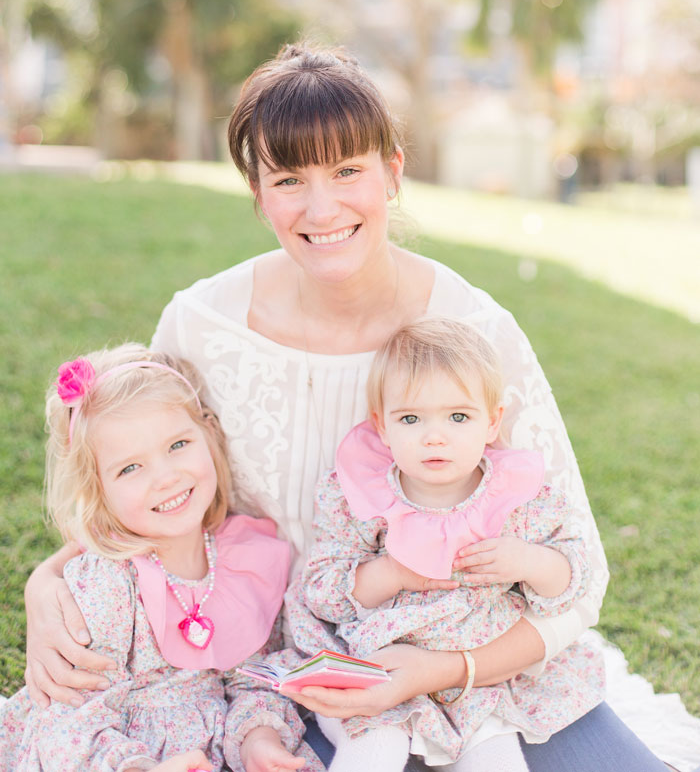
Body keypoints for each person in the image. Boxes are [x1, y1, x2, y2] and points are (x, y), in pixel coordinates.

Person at [23, 44, 677, 771]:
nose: (321, 207)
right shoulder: (201, 323)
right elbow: (144, 478)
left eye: (347, 171)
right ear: (257, 190)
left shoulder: (476, 333)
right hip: (264, 678)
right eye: (289, 179)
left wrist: (443, 671)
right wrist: (45, 581)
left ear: (393, 173)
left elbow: (576, 575)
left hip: (475, 662)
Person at [286, 316, 606, 772]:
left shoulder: (515, 497)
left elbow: (572, 579)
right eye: (411, 418)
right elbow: (322, 590)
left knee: (497, 762)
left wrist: (529, 561)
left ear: (492, 422)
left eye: (458, 416)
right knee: (372, 753)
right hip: (382, 669)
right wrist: (393, 572)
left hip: (483, 683)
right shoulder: (363, 495)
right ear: (381, 427)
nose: (434, 435)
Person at [2, 343, 323, 772]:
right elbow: (69, 712)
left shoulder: (246, 559)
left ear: (208, 435)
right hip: (114, 755)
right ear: (98, 491)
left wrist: (257, 740)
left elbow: (254, 680)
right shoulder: (108, 582)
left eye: (178, 444)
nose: (166, 477)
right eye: (130, 468)